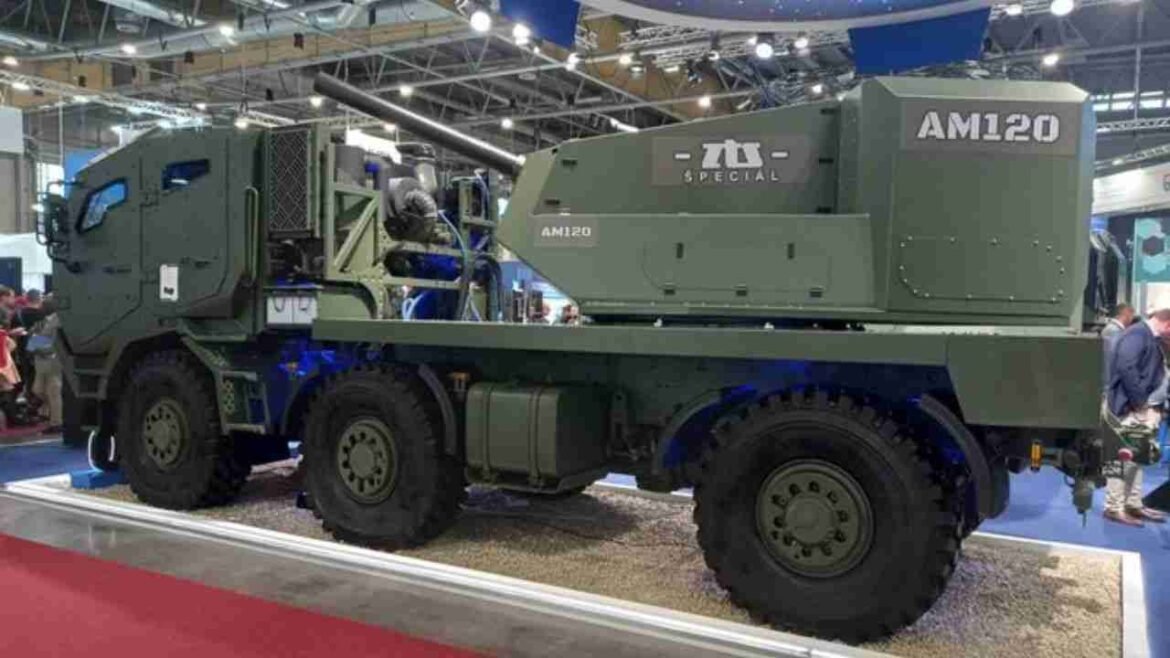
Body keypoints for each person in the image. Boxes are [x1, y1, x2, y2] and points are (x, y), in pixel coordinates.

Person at [1104, 306, 1170, 526]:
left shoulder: (1150, 337)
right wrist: (1140, 401)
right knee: (1121, 458)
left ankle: (1133, 503)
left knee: (1137, 458)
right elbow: (1126, 367)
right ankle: (1113, 507)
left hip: (1143, 409)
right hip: (1132, 409)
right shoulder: (1138, 334)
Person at [27, 302, 61, 433]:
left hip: (53, 360)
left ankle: (56, 423)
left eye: (44, 305)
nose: (41, 307)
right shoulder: (45, 321)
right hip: (41, 361)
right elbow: (38, 338)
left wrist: (36, 345)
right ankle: (52, 413)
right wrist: (33, 337)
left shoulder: (58, 320)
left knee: (53, 391)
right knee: (38, 390)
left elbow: (54, 342)